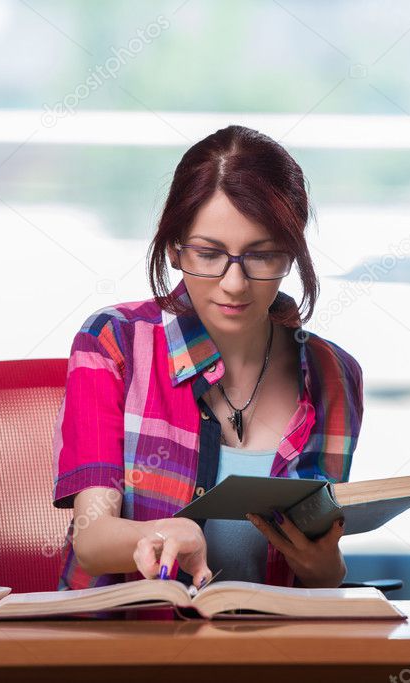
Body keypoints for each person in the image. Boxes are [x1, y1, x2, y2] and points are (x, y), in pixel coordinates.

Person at [51, 125, 364, 595]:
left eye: (262, 256)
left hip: (276, 657)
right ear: (175, 247)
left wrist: (324, 568)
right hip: (127, 652)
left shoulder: (332, 375)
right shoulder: (114, 342)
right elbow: (93, 540)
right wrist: (168, 534)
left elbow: (317, 577)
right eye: (209, 253)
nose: (234, 283)